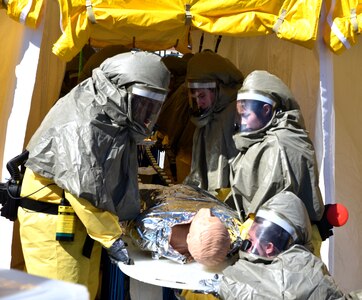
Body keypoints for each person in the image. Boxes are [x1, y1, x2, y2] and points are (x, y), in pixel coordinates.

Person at [17, 51, 170, 299]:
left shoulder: (110, 112)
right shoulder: (84, 119)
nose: (146, 112)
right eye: (143, 102)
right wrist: (111, 237)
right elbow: (85, 188)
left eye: (153, 106)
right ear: (121, 91)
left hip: (82, 224)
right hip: (57, 228)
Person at [226, 70, 325, 253]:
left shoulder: (280, 145)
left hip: (276, 248)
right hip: (272, 243)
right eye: (240, 115)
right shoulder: (265, 140)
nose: (242, 121)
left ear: (266, 110)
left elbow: (271, 217)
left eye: (246, 115)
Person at [201, 191, 350, 299]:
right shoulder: (244, 246)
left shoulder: (304, 270)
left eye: (266, 236)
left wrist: (227, 287)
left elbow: (282, 290)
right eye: (256, 229)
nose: (252, 239)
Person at [126, 183, 242, 266]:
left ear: (189, 237)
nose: (208, 212)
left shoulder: (149, 229)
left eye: (204, 220)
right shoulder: (199, 245)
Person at [183, 50, 244, 199]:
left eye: (202, 95)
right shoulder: (208, 117)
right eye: (194, 97)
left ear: (217, 89)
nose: (199, 102)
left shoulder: (234, 113)